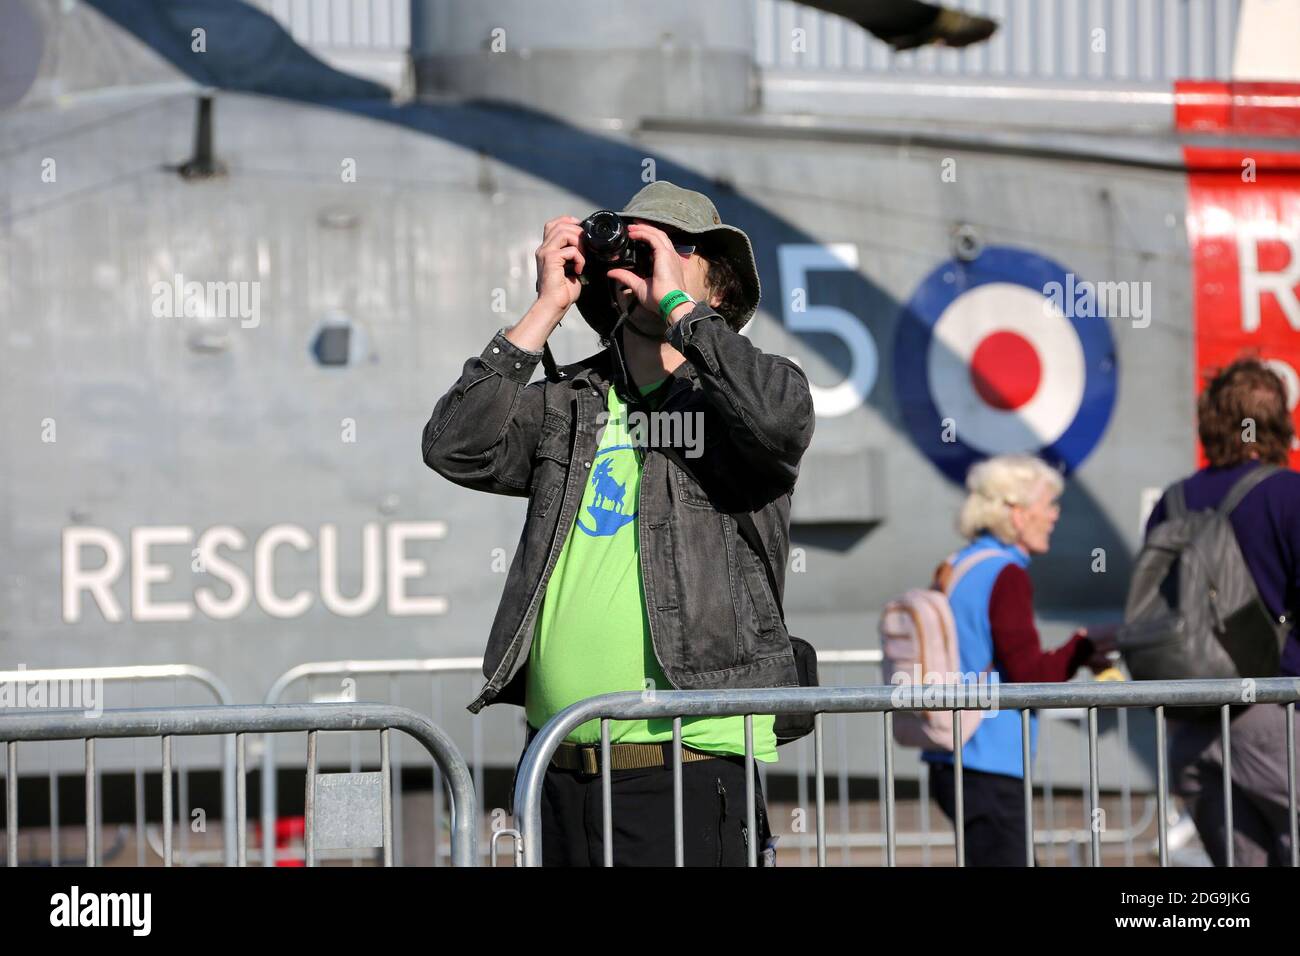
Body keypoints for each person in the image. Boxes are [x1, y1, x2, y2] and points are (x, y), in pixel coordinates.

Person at [422, 181, 815, 866]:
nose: (648, 260)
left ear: (715, 288)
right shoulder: (573, 406)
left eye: (673, 247)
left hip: (686, 770)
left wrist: (680, 310)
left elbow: (780, 420)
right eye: (634, 248)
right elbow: (454, 444)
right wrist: (547, 307)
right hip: (557, 767)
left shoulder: (740, 411)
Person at [1144, 358, 1300, 866]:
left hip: (1191, 722)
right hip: (1274, 717)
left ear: (1210, 420)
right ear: (1279, 418)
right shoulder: (1287, 493)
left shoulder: (1174, 500)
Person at [924, 454, 1116, 866]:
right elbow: (1030, 677)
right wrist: (1082, 646)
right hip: (989, 762)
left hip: (951, 757)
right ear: (1015, 511)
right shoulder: (1006, 575)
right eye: (1047, 503)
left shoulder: (956, 565)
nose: (1054, 514)